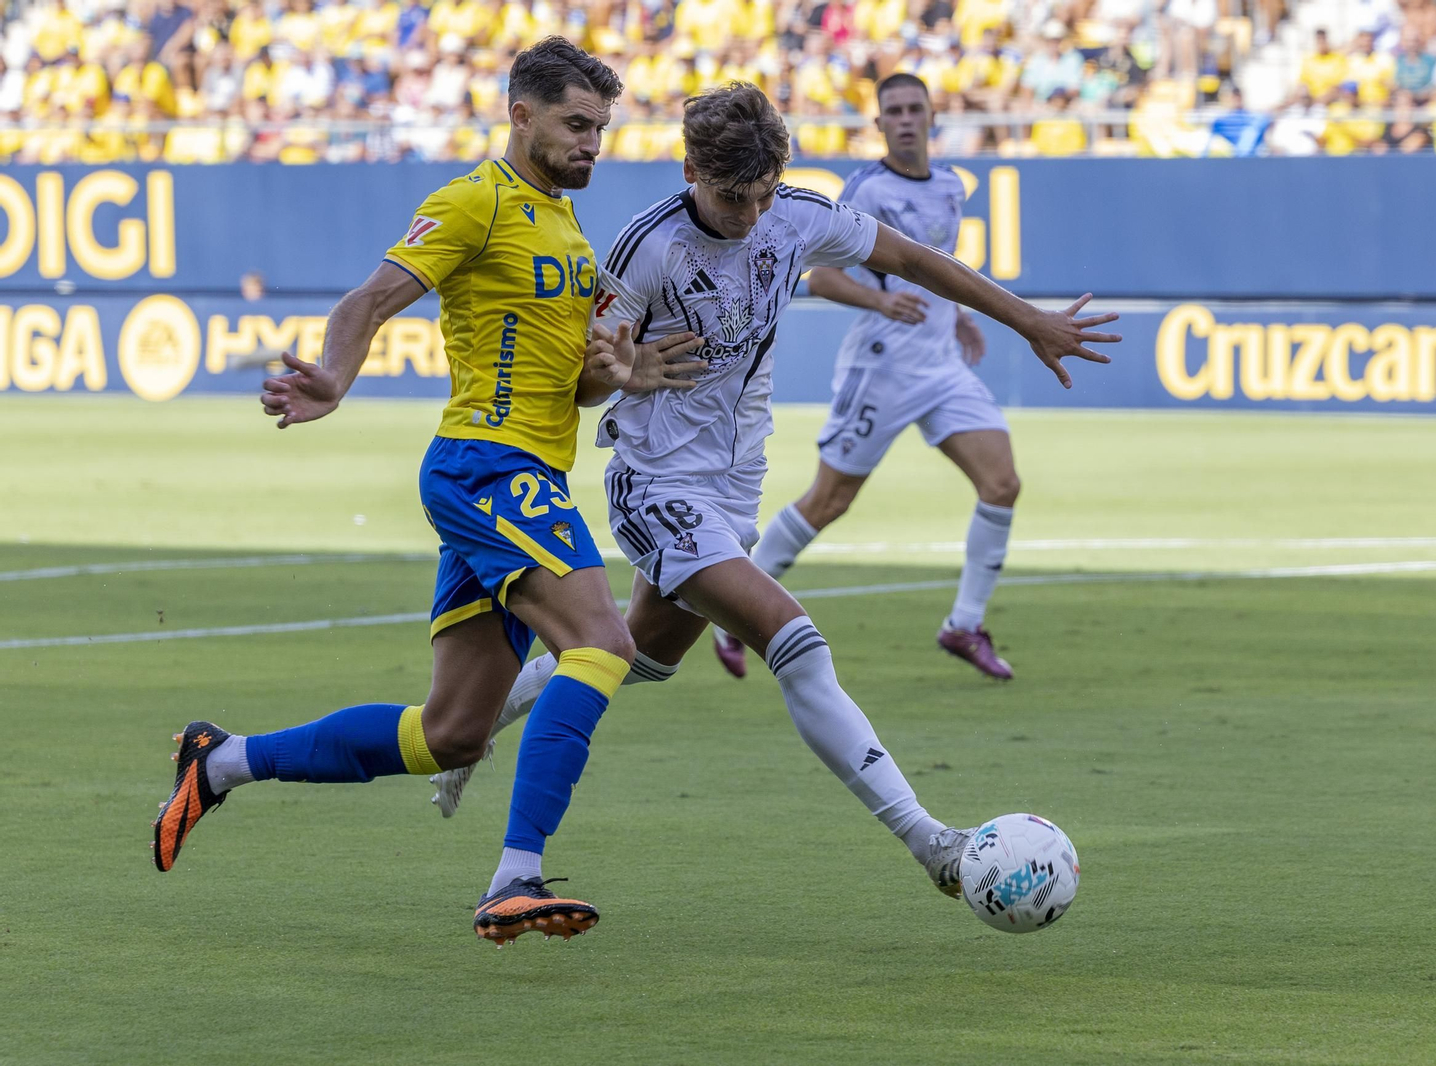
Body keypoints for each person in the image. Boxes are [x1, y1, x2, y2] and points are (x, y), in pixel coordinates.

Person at [426, 80, 1119, 905]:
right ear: (691, 172)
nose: (752, 216)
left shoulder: (796, 215)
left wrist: (1028, 318)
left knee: (638, 658)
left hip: (733, 488)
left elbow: (913, 260)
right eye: (733, 198)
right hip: (655, 484)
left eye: (763, 195)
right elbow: (582, 382)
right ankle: (932, 843)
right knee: (797, 643)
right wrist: (620, 370)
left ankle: (477, 724)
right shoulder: (646, 248)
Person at [150, 38, 698, 948]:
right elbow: (368, 301)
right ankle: (515, 876)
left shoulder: (566, 228)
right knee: (603, 645)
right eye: (576, 123)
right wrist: (333, 378)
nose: (592, 142)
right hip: (488, 469)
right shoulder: (474, 200)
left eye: (601, 127)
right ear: (521, 115)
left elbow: (574, 386)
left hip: (518, 476)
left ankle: (220, 762)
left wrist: (617, 372)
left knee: (451, 734)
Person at [712, 72, 1024, 681]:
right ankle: (733, 611)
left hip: (941, 364)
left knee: (1002, 483)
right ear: (878, 124)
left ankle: (964, 624)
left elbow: (935, 267)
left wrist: (958, 314)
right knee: (830, 500)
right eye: (894, 112)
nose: (905, 120)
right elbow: (823, 278)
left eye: (914, 109)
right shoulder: (867, 189)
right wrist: (882, 301)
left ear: (932, 116)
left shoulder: (951, 184)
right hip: (882, 366)